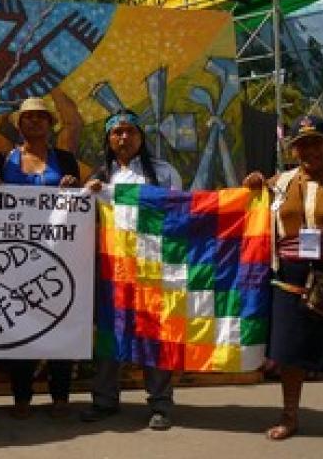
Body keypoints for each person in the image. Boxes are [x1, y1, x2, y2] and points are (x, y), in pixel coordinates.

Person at [243, 115, 323, 450]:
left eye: (316, 142)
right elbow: (245, 206)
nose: (310, 149)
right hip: (289, 280)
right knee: (290, 354)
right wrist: (251, 183)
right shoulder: (279, 183)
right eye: (303, 144)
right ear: (293, 149)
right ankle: (289, 416)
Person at [80, 109, 182, 430]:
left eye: (130, 132)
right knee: (110, 336)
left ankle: (161, 404)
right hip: (112, 269)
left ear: (141, 137)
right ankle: (105, 400)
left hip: (154, 267)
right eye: (117, 133)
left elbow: (180, 216)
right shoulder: (99, 178)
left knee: (155, 336)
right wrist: (82, 191)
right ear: (108, 140)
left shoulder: (164, 173)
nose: (124, 138)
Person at [0, 97, 80, 419]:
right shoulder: (3, 160)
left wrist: (74, 185)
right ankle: (22, 398)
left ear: (51, 124)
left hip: (59, 255)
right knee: (19, 325)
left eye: (42, 118)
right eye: (29, 118)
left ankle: (61, 397)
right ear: (19, 124)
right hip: (15, 259)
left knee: (59, 322)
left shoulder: (66, 160)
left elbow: (81, 200)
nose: (35, 122)